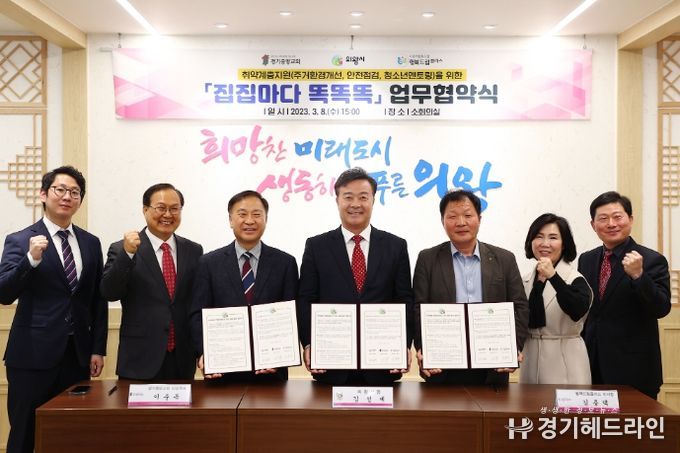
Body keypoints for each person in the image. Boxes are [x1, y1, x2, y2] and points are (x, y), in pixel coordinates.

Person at [0, 166, 107, 453]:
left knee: (72, 435)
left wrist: (98, 349)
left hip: (77, 356)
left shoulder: (90, 242)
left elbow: (97, 299)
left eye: (75, 192)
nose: (67, 197)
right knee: (24, 434)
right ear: (44, 194)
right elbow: (4, 293)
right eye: (60, 190)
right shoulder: (20, 240)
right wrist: (30, 259)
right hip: (31, 356)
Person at [297, 167, 414, 385]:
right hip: (331, 365)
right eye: (348, 197)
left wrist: (404, 344)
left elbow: (405, 299)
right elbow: (306, 299)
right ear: (337, 201)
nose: (355, 204)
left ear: (373, 200)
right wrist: (309, 344)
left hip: (382, 365)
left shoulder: (396, 246)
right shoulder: (316, 246)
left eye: (363, 197)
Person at [414, 189, 529, 384]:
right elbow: (418, 307)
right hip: (442, 365)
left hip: (493, 364)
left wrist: (512, 347)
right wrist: (423, 348)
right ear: (442, 221)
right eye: (452, 216)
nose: (461, 222)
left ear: (479, 219)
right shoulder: (428, 259)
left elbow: (520, 307)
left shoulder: (504, 259)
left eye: (468, 215)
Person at [190, 190, 298, 382]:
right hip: (222, 372)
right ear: (230, 220)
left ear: (266, 219)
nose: (249, 221)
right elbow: (197, 314)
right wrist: (204, 352)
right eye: (242, 214)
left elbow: (292, 314)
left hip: (271, 373)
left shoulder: (285, 263)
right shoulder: (208, 263)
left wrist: (281, 356)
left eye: (257, 214)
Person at [100, 183, 203, 380]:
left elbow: (196, 303)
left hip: (182, 358)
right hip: (140, 358)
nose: (168, 214)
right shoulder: (122, 248)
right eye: (161, 208)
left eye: (174, 209)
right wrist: (127, 254)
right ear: (145, 209)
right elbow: (109, 292)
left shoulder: (194, 250)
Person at [578, 191, 671, 399]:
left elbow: (661, 308)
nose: (611, 224)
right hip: (591, 365)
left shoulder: (652, 259)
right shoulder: (587, 259)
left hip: (634, 369)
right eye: (603, 218)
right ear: (593, 225)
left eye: (617, 217)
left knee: (635, 421)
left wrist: (639, 276)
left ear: (630, 219)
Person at [519, 213, 592, 384]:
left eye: (553, 238)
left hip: (566, 361)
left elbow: (576, 309)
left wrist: (553, 276)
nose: (545, 243)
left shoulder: (575, 279)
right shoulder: (525, 280)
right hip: (530, 361)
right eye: (539, 237)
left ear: (564, 244)